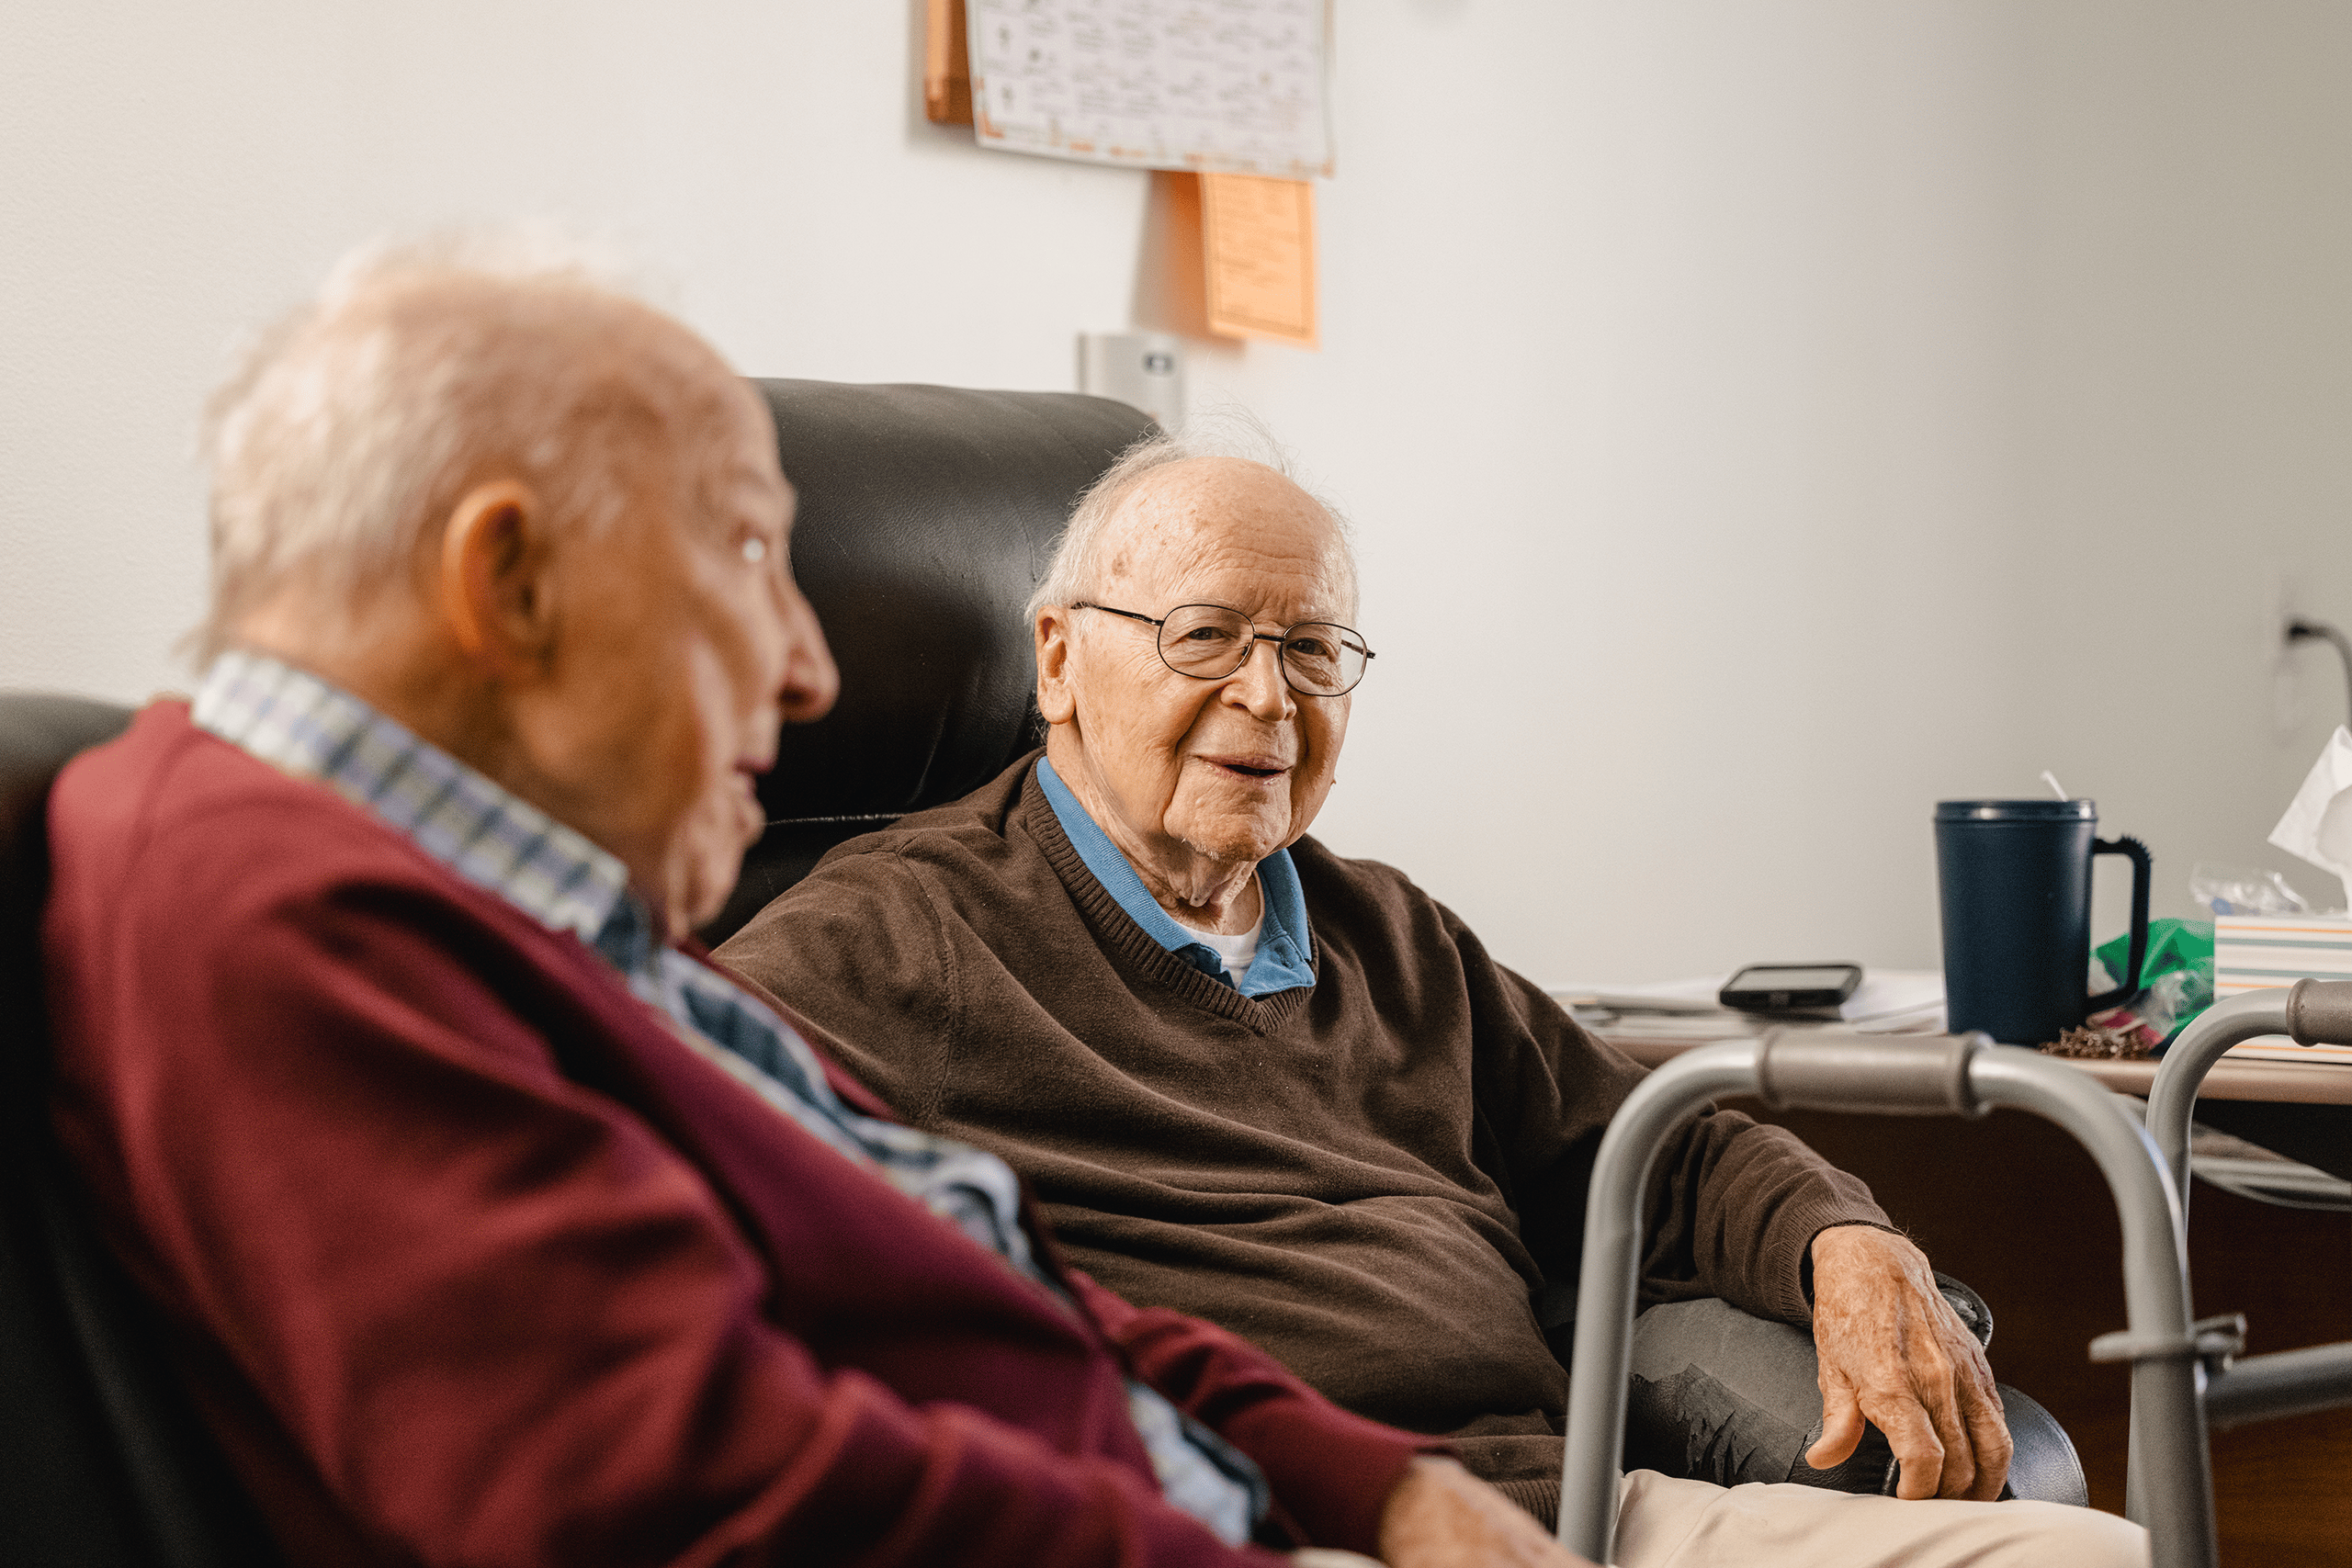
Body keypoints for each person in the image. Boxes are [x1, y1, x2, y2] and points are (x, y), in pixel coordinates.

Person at [40, 241, 1589, 1568]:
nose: (811, 667)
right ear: (507, 581)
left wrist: (1374, 1483)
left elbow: (979, 1268)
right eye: (747, 555)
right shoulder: (272, 907)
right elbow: (686, 1490)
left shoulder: (537, 914)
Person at [715, 432, 2150, 1566]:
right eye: (1206, 635)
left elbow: (1658, 1140)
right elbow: (668, 1125)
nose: (1271, 700)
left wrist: (1845, 1237)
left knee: (2085, 1554)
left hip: (1568, 1506)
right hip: (1268, 1521)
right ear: (1057, 661)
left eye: (1314, 649)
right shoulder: (907, 929)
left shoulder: (1384, 928)